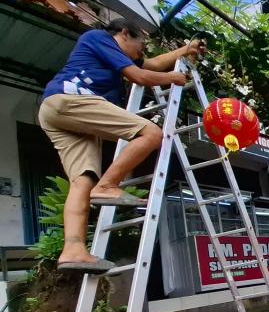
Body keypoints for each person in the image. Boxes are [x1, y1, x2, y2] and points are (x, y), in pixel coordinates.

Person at [39, 18, 205, 273]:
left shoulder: (114, 53)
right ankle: (107, 186)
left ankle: (73, 249)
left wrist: (186, 50)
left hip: (60, 112)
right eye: (142, 43)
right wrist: (173, 78)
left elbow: (149, 64)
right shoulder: (98, 37)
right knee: (150, 133)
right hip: (72, 99)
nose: (143, 50)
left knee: (82, 181)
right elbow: (139, 75)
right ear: (125, 33)